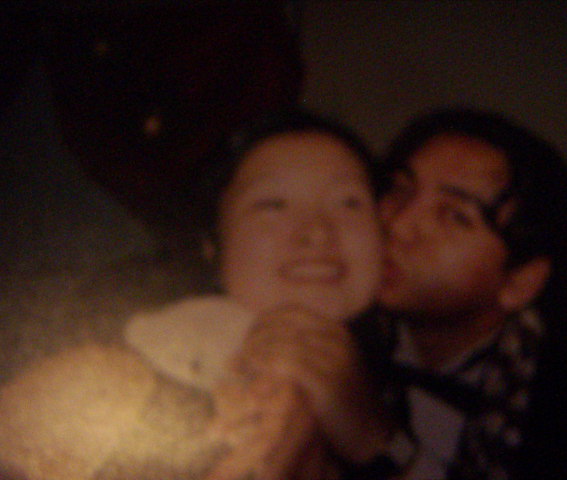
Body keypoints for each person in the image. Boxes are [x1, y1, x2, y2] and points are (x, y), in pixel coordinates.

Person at [0, 109, 391, 480]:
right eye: (273, 204)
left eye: (349, 203)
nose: (317, 232)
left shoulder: (398, 407)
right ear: (212, 245)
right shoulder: (107, 380)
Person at [362, 107, 567, 480]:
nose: (397, 224)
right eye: (400, 188)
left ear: (518, 282)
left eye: (454, 215)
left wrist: (381, 443)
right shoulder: (338, 308)